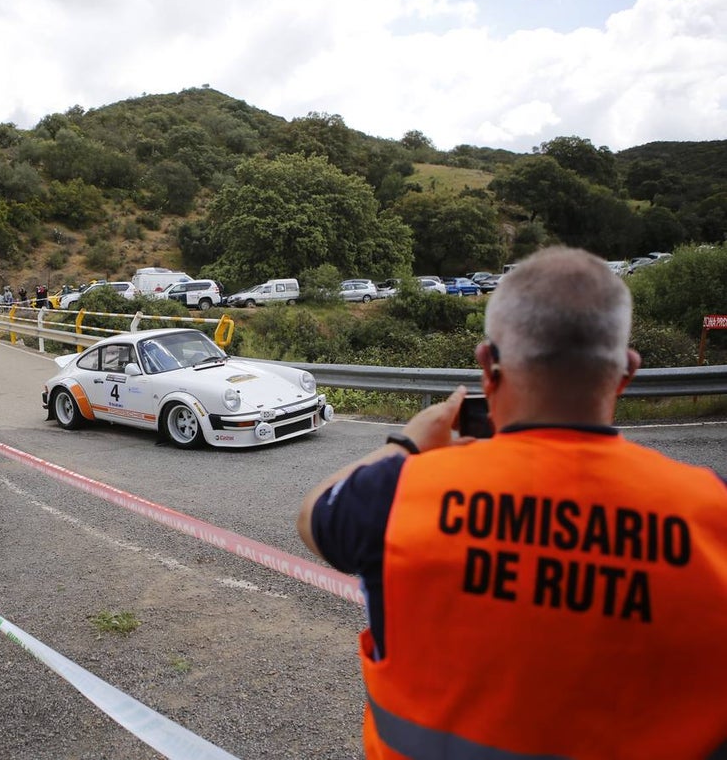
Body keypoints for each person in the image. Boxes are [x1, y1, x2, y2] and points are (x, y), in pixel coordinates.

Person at [297, 247, 727, 760]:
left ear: (487, 366)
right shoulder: (711, 512)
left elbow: (313, 514)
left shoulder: (400, 493)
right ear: (626, 373)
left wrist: (405, 446)